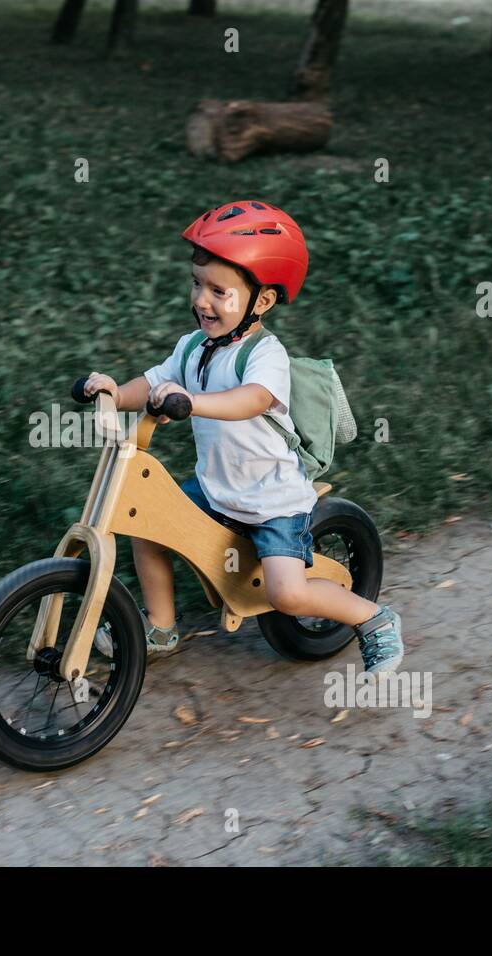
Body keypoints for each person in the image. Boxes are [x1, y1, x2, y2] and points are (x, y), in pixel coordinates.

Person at [83, 200, 403, 675]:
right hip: (218, 488)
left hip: (271, 497)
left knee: (287, 594)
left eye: (219, 290)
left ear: (263, 301)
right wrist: (115, 390)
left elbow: (251, 400)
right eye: (197, 283)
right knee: (145, 522)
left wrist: (192, 403)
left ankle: (373, 618)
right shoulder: (193, 348)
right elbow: (153, 383)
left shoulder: (265, 354)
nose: (201, 300)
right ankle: (161, 627)